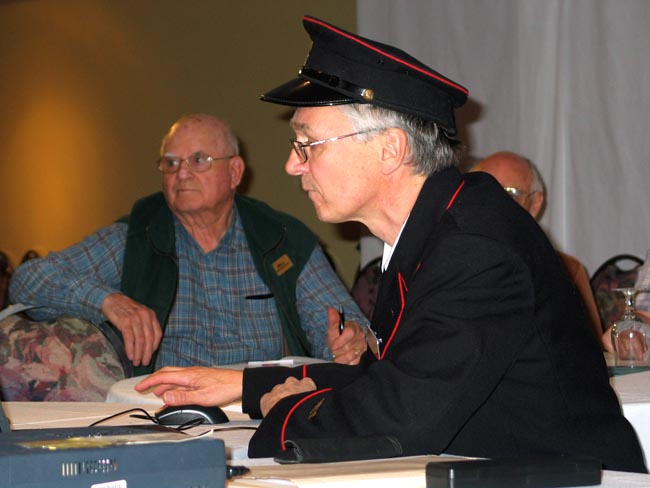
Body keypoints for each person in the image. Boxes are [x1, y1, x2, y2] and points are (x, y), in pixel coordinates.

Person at [136, 16, 645, 472]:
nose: (293, 165)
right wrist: (245, 386)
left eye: (307, 144)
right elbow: (401, 378)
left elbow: (400, 417)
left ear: (389, 149)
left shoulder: (475, 247)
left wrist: (282, 409)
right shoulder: (445, 223)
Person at [9, 113, 368, 375]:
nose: (182, 173)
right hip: (162, 413)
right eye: (170, 163)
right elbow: (28, 281)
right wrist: (107, 301)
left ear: (235, 173)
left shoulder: (281, 240)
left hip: (261, 405)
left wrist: (346, 344)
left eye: (199, 160)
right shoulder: (137, 237)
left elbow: (342, 326)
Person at [470, 151, 603, 343]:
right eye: (485, 193)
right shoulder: (448, 263)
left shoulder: (566, 270)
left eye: (510, 194)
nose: (495, 205)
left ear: (535, 203)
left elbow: (589, 352)